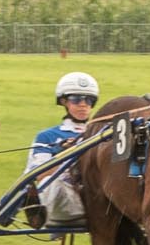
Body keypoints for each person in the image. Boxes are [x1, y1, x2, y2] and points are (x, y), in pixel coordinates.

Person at [21, 71, 101, 228]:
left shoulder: (101, 134)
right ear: (64, 101)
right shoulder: (47, 136)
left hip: (97, 200)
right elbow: (38, 175)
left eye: (89, 100)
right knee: (55, 183)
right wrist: (65, 155)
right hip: (62, 202)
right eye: (76, 99)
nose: (83, 104)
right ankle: (37, 213)